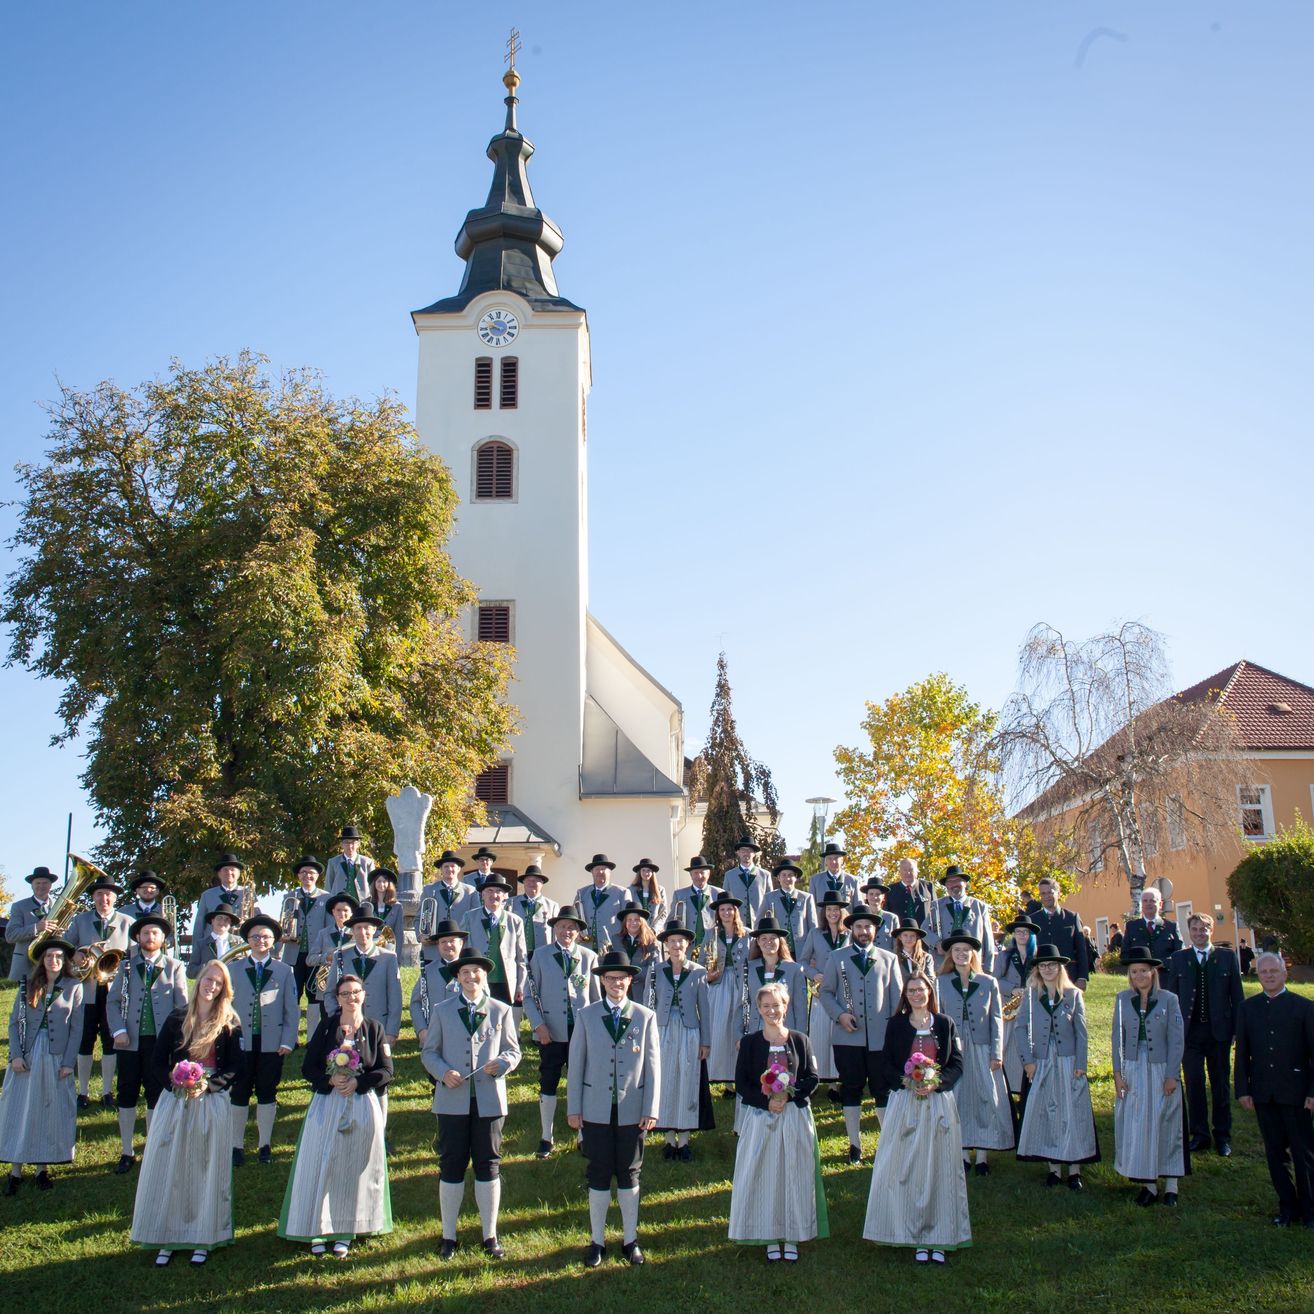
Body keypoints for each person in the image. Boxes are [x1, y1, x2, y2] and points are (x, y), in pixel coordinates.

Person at [129, 959, 242, 1265]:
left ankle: (203, 1236)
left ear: (224, 988)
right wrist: (174, 1082)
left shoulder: (229, 1022)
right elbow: (156, 1060)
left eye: (218, 983)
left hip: (210, 1100)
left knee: (206, 1167)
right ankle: (169, 1235)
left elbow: (234, 1067)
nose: (212, 986)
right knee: (172, 1164)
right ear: (199, 980)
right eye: (209, 979)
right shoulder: (177, 1017)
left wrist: (210, 1085)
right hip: (177, 1099)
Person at [279, 973, 393, 1257]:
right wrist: (329, 1081)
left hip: (361, 1104)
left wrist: (358, 1082)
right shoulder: (327, 1027)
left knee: (353, 1168)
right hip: (327, 1103)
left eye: (356, 992)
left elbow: (386, 1070)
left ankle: (345, 1229)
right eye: (345, 993)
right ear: (337, 997)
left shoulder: (374, 1028)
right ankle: (316, 1227)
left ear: (364, 995)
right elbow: (307, 1068)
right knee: (320, 1162)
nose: (351, 998)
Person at [862, 971, 968, 1263]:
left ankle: (940, 1235)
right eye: (911, 991)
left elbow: (957, 1064)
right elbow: (886, 1064)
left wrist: (937, 1083)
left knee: (940, 1168)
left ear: (930, 992)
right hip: (906, 1103)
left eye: (921, 989)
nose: (917, 995)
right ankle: (912, 1233)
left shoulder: (945, 1023)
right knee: (905, 1167)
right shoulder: (896, 1025)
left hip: (937, 1105)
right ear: (905, 996)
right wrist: (907, 1083)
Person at [423, 946, 521, 1259]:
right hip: (452, 1100)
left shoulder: (500, 1009)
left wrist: (503, 1064)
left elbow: (514, 1050)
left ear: (485, 975)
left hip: (489, 1101)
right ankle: (448, 1236)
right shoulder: (442, 1009)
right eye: (465, 972)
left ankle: (489, 1235)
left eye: (476, 971)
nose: (471, 976)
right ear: (458, 977)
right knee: (451, 1163)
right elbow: (429, 1052)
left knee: (488, 1164)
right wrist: (442, 1072)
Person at [566, 949, 660, 1268]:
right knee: (598, 1172)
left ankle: (630, 1239)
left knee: (630, 1172)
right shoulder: (587, 1015)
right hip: (595, 1110)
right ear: (602, 981)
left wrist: (651, 1108)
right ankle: (597, 1240)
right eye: (610, 978)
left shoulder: (646, 1017)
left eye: (621, 978)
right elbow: (576, 1065)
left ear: (631, 980)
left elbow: (652, 1067)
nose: (616, 983)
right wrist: (574, 1108)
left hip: (633, 1109)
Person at [728, 982, 827, 1261]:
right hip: (761, 1118)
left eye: (777, 1005)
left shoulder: (800, 1040)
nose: (773, 1010)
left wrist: (789, 1097)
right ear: (759, 1010)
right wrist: (766, 1101)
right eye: (767, 1006)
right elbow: (743, 1083)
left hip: (793, 1116)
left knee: (794, 1172)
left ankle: (793, 1232)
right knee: (765, 1174)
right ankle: (770, 1233)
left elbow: (812, 1077)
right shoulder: (750, 1043)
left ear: (786, 1006)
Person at [1234, 952, 1314, 1226]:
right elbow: (1242, 1052)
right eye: (1263, 971)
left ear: (1284, 973)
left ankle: (1310, 1210)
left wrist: (1313, 1092)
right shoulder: (1248, 1008)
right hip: (1264, 1093)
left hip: (1297, 1093)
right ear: (1258, 975)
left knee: (1303, 1154)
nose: (1268, 975)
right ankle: (1287, 1208)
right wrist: (1243, 1089)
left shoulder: (1304, 1007)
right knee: (1275, 1154)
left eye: (1273, 971)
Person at [106, 913, 189, 1174]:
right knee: (127, 1092)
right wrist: (118, 1030)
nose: (150, 937)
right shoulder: (126, 966)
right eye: (145, 933)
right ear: (138, 938)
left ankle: (153, 1149)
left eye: (155, 933)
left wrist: (177, 1042)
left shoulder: (175, 966)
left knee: (157, 1093)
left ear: (163, 938)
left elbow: (182, 1007)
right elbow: (112, 1002)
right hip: (129, 1041)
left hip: (159, 1044)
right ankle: (127, 1150)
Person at [819, 903, 902, 1163]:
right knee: (851, 1088)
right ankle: (855, 1145)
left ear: (875, 929)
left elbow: (897, 998)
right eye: (858, 926)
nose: (863, 931)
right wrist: (839, 1015)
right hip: (848, 1037)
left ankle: (886, 1144)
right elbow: (826, 992)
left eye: (868, 926)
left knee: (882, 1090)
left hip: (881, 1039)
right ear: (851, 929)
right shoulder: (837, 957)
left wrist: (894, 1034)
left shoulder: (889, 959)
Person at [0, 936, 82, 1193]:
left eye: (58, 957)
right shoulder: (28, 984)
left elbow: (77, 1029)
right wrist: (16, 1055)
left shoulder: (74, 986)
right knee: (20, 1109)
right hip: (28, 1054)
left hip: (56, 1055)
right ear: (41, 960)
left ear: (65, 961)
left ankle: (41, 1168)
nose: (54, 960)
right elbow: (14, 1023)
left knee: (49, 1109)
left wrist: (69, 1063)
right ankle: (15, 1169)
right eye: (49, 956)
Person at [1015, 944, 1098, 1188]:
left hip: (1067, 1059)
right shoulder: (1031, 996)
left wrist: (1080, 1063)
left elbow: (1081, 1032)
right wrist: (1028, 1061)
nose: (1048, 969)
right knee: (1047, 1111)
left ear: (1060, 968)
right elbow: (1021, 1029)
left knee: (1071, 1112)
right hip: (1041, 1060)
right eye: (1043, 966)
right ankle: (1053, 1167)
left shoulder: (1073, 995)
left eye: (1052, 965)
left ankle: (1074, 1169)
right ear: (1038, 970)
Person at [1163, 912, 1243, 1156]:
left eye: (1203, 929)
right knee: (1194, 1083)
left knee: (1220, 1085)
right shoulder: (1179, 958)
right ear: (1189, 932)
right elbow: (1171, 997)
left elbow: (1237, 997)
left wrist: (1238, 1031)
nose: (1199, 933)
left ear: (1211, 931)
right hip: (1190, 1034)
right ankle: (1199, 1134)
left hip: (1218, 1032)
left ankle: (1222, 1136)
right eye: (1195, 929)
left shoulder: (1227, 957)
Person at [1112, 947, 1187, 1206]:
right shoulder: (1122, 999)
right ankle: (1148, 1184)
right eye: (1134, 972)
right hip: (1133, 1066)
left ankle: (1172, 1185)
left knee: (1164, 1119)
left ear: (1153, 972)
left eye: (1143, 970)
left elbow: (1177, 1040)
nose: (1139, 975)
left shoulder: (1169, 999)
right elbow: (1116, 1039)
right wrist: (1118, 1074)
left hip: (1160, 1066)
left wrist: (1171, 1075)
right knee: (1139, 1123)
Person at [524, 908, 599, 1158]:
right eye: (562, 926)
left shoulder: (589, 958)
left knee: (582, 1081)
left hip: (582, 1030)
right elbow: (528, 996)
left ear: (579, 933)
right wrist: (539, 1025)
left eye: (572, 928)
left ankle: (583, 1135)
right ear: (554, 929)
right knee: (549, 1081)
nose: (567, 932)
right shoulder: (540, 956)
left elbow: (597, 999)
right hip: (551, 1031)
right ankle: (547, 1136)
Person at [939, 931, 1013, 1173]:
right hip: (955, 1047)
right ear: (951, 954)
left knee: (985, 1096)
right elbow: (938, 1019)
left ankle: (982, 1154)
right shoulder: (941, 982)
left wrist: (997, 1052)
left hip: (981, 1046)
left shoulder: (987, 982)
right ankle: (962, 1153)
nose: (961, 954)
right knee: (957, 1097)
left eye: (966, 951)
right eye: (957, 951)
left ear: (973, 955)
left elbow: (996, 1019)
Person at [228, 914, 299, 1167]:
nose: (260, 940)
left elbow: (292, 1009)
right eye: (255, 936)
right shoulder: (233, 969)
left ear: (274, 942)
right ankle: (236, 1145)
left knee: (268, 1092)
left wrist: (288, 1040)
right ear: (247, 940)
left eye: (266, 937)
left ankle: (264, 1144)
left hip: (272, 1043)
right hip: (241, 1043)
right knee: (239, 1092)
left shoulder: (284, 970)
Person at [644, 922, 712, 1161]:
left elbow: (704, 1008)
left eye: (680, 941)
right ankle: (669, 1139)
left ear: (687, 944)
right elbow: (647, 1006)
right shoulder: (655, 970)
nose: (676, 945)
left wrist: (706, 1040)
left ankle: (684, 1141)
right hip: (661, 1030)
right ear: (666, 945)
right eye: (671, 941)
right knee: (666, 1080)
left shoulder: (698, 971)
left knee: (687, 1079)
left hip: (688, 1031)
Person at [67, 872, 133, 1109]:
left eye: (108, 894)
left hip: (114, 990)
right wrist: (76, 954)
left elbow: (134, 956)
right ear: (93, 897)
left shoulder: (127, 922)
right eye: (99, 894)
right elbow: (67, 945)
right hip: (87, 988)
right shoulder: (80, 920)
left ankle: (106, 1092)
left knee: (110, 1039)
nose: (104, 898)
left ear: (114, 898)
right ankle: (83, 1092)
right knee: (85, 1040)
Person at [798, 892, 850, 1086]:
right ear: (824, 912)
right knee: (820, 1035)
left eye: (836, 909)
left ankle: (839, 1080)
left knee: (840, 1033)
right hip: (821, 992)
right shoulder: (815, 933)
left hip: (843, 991)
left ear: (842, 912)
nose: (833, 913)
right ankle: (820, 1077)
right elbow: (802, 962)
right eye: (829, 910)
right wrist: (814, 975)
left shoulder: (850, 934)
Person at [704, 893, 750, 1093]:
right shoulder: (710, 934)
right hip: (719, 985)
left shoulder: (747, 934)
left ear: (735, 911)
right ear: (717, 913)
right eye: (722, 910)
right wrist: (708, 976)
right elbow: (701, 963)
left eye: (729, 909)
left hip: (741, 984)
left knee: (737, 1028)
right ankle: (720, 1076)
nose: (726, 913)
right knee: (719, 1028)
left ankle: (737, 1078)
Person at [277, 856, 329, 1033]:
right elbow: (283, 923)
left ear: (318, 876)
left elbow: (329, 927)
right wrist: (282, 938)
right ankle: (291, 1034)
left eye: (312, 873)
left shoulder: (326, 898)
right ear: (299, 876)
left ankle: (312, 1036)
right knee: (293, 994)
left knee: (314, 994)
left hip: (316, 955)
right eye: (304, 872)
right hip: (293, 952)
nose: (308, 875)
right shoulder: (289, 897)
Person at [461, 877, 527, 1008]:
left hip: (506, 982)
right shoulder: (469, 917)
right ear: (482, 894)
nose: (494, 895)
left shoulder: (515, 921)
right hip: (477, 980)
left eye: (498, 891)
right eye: (489, 891)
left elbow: (522, 958)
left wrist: (520, 986)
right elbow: (461, 949)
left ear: (504, 896)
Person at [992, 916, 1038, 1094]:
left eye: (1025, 932)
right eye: (1018, 932)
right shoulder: (1005, 955)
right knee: (1009, 1043)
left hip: (1032, 1006)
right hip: (1010, 1007)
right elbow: (995, 980)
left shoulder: (1037, 955)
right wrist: (1013, 990)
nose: (1021, 935)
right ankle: (1010, 1085)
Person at [741, 918, 807, 1037]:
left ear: (780, 941)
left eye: (773, 938)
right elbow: (740, 1004)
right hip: (755, 1031)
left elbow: (800, 1009)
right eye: (764, 938)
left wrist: (800, 1038)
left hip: (785, 1031)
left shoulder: (795, 969)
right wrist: (738, 1036)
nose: (768, 942)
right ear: (758, 942)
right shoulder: (748, 968)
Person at [190, 854, 252, 972]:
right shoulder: (207, 895)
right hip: (211, 948)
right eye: (225, 870)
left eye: (233, 870)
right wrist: (196, 948)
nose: (229, 873)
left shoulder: (248, 893)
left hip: (238, 944)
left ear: (239, 874)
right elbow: (199, 924)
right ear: (219, 874)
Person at [410, 918, 467, 1048]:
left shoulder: (471, 972)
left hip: (463, 1040)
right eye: (443, 942)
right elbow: (415, 1003)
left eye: (452, 941)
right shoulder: (427, 971)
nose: (448, 945)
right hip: (433, 1039)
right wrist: (422, 1030)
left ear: (461, 943)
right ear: (438, 946)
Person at [1029, 876, 1090, 988]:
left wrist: (1082, 977)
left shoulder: (1072, 917)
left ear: (1058, 893)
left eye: (1050, 892)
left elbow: (1082, 949)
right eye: (1043, 893)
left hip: (1069, 977)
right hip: (1041, 978)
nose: (1046, 896)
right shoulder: (1032, 920)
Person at [928, 867, 996, 961]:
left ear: (965, 883)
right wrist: (936, 943)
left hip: (972, 963)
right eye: (950, 881)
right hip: (944, 963)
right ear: (946, 886)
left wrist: (988, 967)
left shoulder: (980, 907)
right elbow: (924, 930)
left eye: (957, 880)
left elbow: (988, 940)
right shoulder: (936, 906)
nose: (953, 884)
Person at [4, 866, 58, 984]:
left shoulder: (59, 906)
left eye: (45, 883)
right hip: (26, 965)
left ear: (50, 885)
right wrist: (37, 928)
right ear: (31, 885)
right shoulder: (19, 906)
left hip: (53, 964)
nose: (41, 886)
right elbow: (10, 935)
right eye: (37, 883)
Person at [575, 854, 634, 951]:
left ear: (610, 872)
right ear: (592, 872)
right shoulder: (581, 893)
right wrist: (578, 933)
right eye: (597, 869)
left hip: (613, 948)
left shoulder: (622, 893)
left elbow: (629, 921)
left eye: (604, 869)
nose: (600, 872)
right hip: (586, 947)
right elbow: (575, 918)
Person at [670, 857, 723, 962]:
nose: (699, 876)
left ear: (708, 874)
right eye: (695, 873)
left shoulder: (718, 894)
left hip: (712, 948)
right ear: (691, 875)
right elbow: (671, 921)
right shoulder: (679, 894)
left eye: (702, 872)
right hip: (688, 949)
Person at [761, 861, 816, 957]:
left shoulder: (806, 898)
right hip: (778, 951)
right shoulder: (769, 898)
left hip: (802, 951)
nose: (787, 878)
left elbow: (813, 927)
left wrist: (814, 953)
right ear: (778, 878)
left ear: (796, 878)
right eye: (783, 875)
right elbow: (759, 923)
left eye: (791, 875)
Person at [421, 851, 479, 935]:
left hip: (461, 943)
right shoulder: (428, 890)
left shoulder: (471, 891)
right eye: (446, 866)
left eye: (452, 866)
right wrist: (421, 935)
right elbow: (420, 917)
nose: (449, 869)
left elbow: (476, 918)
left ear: (459, 869)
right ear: (441, 869)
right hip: (434, 943)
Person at [1121, 888, 1183, 963]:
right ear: (1141, 904)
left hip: (1165, 972)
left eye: (1152, 901)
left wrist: (1162, 963)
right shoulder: (1132, 926)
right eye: (1145, 901)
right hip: (1140, 973)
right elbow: (1125, 954)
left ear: (1160, 904)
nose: (1148, 903)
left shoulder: (1171, 926)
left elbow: (1180, 954)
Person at [511, 865, 559, 961]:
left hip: (542, 954)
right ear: (523, 882)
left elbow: (555, 934)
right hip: (517, 953)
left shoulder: (552, 906)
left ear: (542, 883)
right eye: (529, 880)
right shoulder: (511, 903)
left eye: (536, 880)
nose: (532, 883)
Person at [721, 837, 772, 928]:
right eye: (743, 850)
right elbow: (725, 902)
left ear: (754, 854)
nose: (746, 853)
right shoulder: (729, 876)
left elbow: (770, 903)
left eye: (749, 850)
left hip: (759, 924)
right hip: (736, 925)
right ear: (738, 853)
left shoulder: (765, 875)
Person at [615, 907, 658, 1000]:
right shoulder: (615, 940)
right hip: (619, 991)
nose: (633, 923)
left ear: (642, 922)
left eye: (637, 920)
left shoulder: (651, 942)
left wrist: (632, 974)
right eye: (629, 920)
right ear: (625, 923)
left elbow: (655, 968)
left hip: (642, 991)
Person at [883, 858, 935, 931]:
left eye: (911, 869)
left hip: (925, 937)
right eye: (904, 870)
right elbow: (886, 917)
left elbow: (936, 913)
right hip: (899, 937)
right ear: (900, 872)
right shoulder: (890, 890)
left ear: (917, 871)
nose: (908, 873)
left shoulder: (928, 887)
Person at [188, 907, 241, 979]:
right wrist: (207, 967)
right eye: (219, 918)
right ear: (212, 921)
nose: (222, 922)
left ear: (230, 923)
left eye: (227, 919)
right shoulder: (201, 944)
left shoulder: (239, 942)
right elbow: (190, 972)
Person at [325, 825, 374, 903]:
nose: (350, 846)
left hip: (362, 904)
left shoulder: (367, 862)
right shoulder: (333, 862)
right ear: (342, 844)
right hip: (339, 904)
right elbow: (328, 885)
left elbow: (373, 885)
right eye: (346, 842)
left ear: (358, 844)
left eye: (353, 842)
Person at [807, 842, 859, 910]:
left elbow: (858, 906)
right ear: (825, 861)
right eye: (829, 858)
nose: (833, 862)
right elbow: (810, 907)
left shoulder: (853, 881)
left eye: (836, 858)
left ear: (842, 860)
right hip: (821, 920)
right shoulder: (815, 881)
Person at [365, 869, 406, 949]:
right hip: (369, 947)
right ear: (374, 883)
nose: (381, 884)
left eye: (384, 881)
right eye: (379, 881)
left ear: (388, 884)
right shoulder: (366, 904)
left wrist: (397, 958)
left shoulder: (397, 906)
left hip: (389, 948)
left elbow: (399, 933)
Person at [626, 859, 667, 934]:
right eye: (643, 870)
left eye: (648, 870)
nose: (646, 873)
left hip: (654, 933)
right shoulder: (630, 890)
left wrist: (655, 929)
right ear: (639, 872)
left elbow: (663, 913)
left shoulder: (660, 890)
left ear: (652, 873)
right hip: (637, 932)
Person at [858, 878, 899, 950]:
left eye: (878, 894)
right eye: (871, 894)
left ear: (883, 897)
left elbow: (897, 944)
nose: (875, 897)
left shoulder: (892, 918)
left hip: (886, 959)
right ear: (866, 896)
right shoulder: (860, 918)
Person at [892, 917, 934, 984]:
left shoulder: (926, 957)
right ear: (900, 937)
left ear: (917, 937)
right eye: (905, 935)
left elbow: (931, 980)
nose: (909, 939)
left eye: (912, 936)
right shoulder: (893, 957)